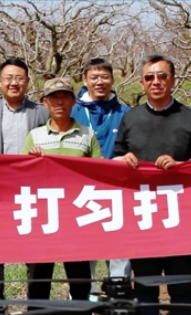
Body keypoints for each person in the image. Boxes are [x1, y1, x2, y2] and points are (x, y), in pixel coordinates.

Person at [113, 53, 191, 315]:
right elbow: (114, 158)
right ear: (142, 83)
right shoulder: (130, 118)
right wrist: (122, 160)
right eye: (149, 77)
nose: (155, 82)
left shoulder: (190, 117)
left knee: (182, 283)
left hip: (180, 215)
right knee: (145, 284)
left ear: (173, 79)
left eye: (162, 76)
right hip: (144, 215)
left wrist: (182, 165)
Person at [21, 77, 100, 315]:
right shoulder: (35, 136)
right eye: (54, 97)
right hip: (44, 211)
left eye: (65, 96)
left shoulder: (87, 135)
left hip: (76, 211)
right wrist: (32, 159)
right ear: (45, 102)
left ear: (73, 101)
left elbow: (100, 171)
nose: (59, 101)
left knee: (78, 268)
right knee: (39, 267)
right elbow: (21, 174)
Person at [0, 58, 49, 312]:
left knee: (37, 250)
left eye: (19, 78)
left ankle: (37, 309)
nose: (14, 83)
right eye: (8, 78)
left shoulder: (42, 112)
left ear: (28, 82)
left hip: (33, 190)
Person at [71, 58, 132, 288]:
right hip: (82, 194)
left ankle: (119, 303)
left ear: (112, 79)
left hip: (118, 193)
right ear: (85, 80)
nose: (100, 82)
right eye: (94, 77)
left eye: (105, 77)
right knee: (85, 254)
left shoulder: (126, 112)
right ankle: (86, 305)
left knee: (119, 253)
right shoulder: (72, 113)